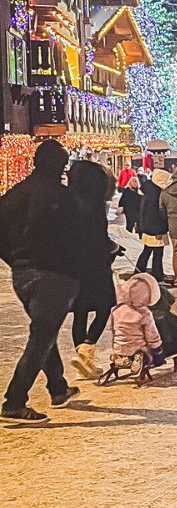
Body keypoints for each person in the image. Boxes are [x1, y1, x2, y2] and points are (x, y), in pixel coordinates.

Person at [0, 141, 83, 422]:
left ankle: (57, 387)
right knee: (41, 338)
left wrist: (17, 261)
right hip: (54, 275)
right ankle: (14, 401)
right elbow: (76, 240)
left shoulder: (13, 195)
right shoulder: (62, 197)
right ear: (59, 165)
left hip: (22, 274)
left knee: (44, 332)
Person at [67, 161, 119, 381]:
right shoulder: (94, 205)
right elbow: (98, 237)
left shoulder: (68, 202)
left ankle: (82, 354)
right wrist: (113, 248)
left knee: (80, 311)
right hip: (96, 266)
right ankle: (86, 349)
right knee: (105, 305)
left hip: (74, 267)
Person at [109, 273, 163, 375]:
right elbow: (152, 334)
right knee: (149, 354)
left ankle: (121, 358)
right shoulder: (144, 313)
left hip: (120, 347)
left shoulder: (116, 310)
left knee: (124, 348)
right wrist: (157, 347)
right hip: (138, 347)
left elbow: (113, 329)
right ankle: (141, 357)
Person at [138, 169, 172, 283]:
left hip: (148, 228)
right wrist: (160, 229)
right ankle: (157, 275)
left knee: (147, 250)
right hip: (156, 229)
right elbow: (156, 214)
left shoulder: (149, 191)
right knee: (157, 253)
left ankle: (139, 271)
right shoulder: (156, 194)